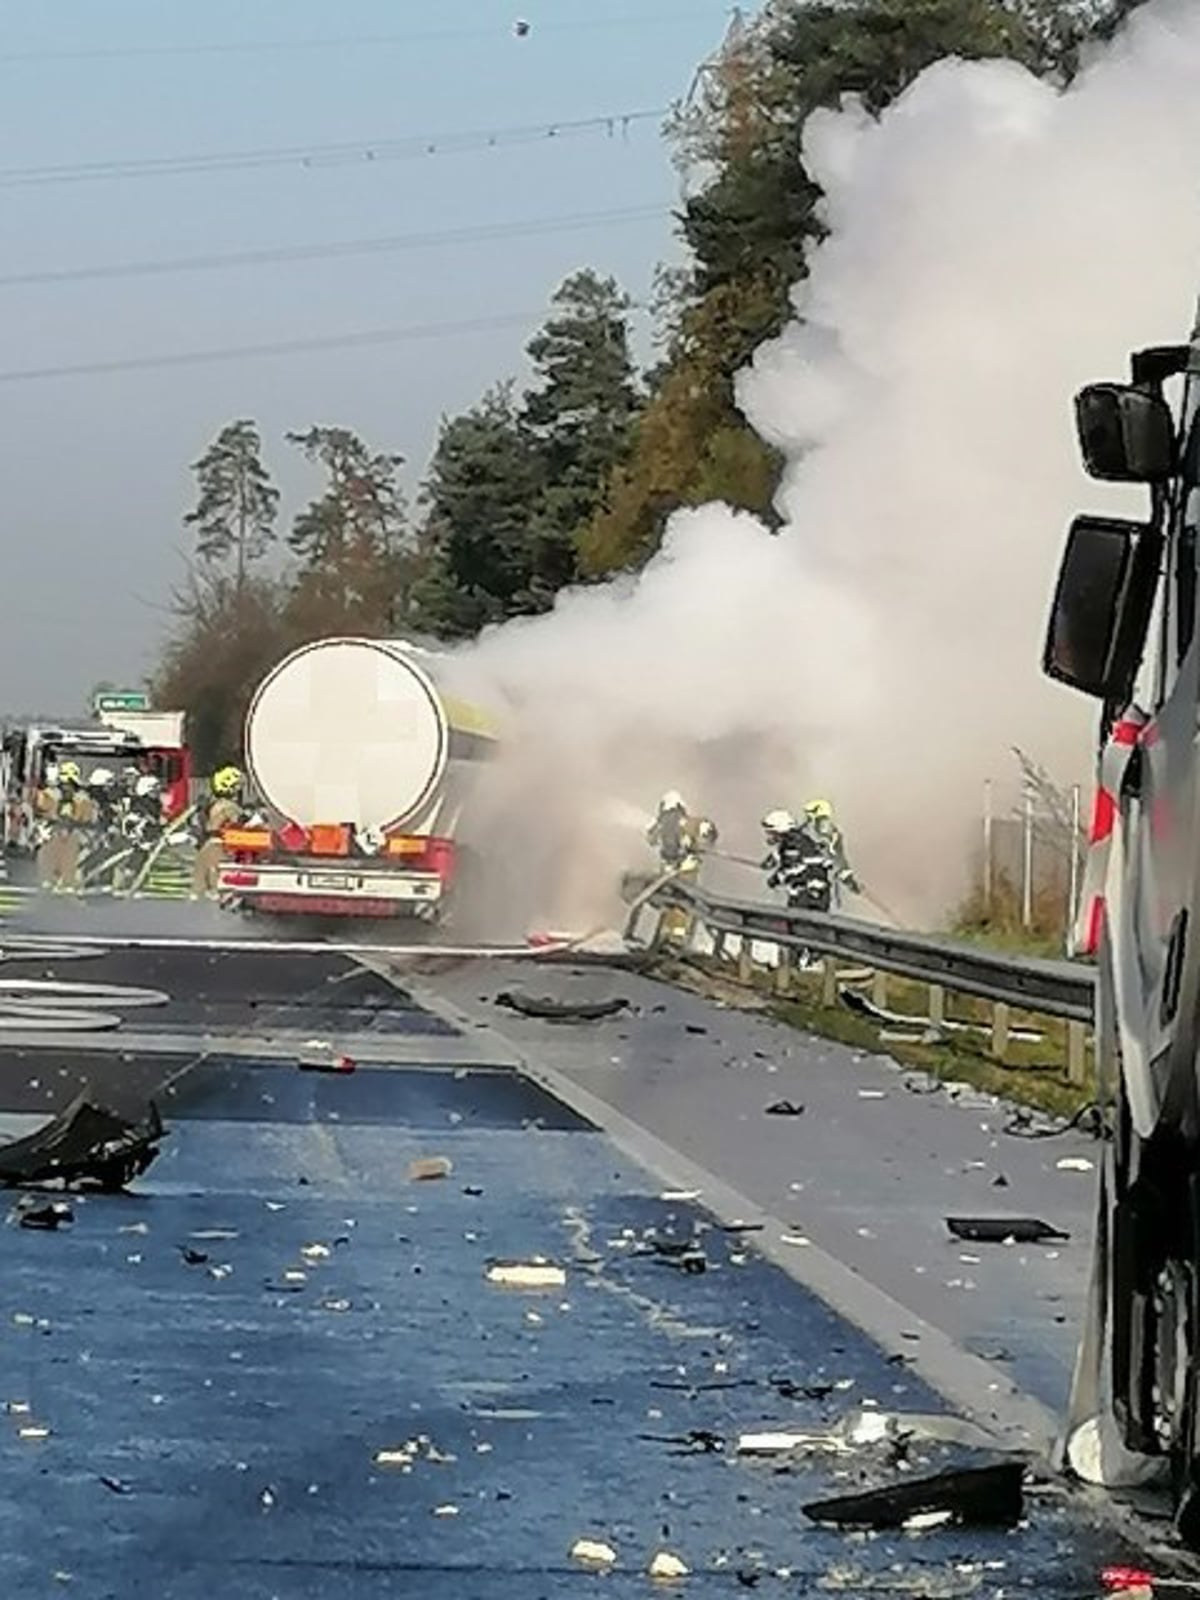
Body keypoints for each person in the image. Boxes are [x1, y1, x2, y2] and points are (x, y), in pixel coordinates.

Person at [34, 760, 95, 892]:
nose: (67, 786)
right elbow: (41, 810)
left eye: (69, 783)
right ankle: (52, 881)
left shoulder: (81, 798)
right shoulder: (51, 794)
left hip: (73, 831)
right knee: (50, 854)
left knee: (69, 856)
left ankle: (65, 882)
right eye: (66, 783)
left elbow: (87, 817)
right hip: (55, 830)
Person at [193, 766, 245, 899]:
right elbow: (242, 824)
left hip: (207, 846)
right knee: (220, 888)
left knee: (201, 887)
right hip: (219, 846)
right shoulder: (230, 807)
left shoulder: (213, 805)